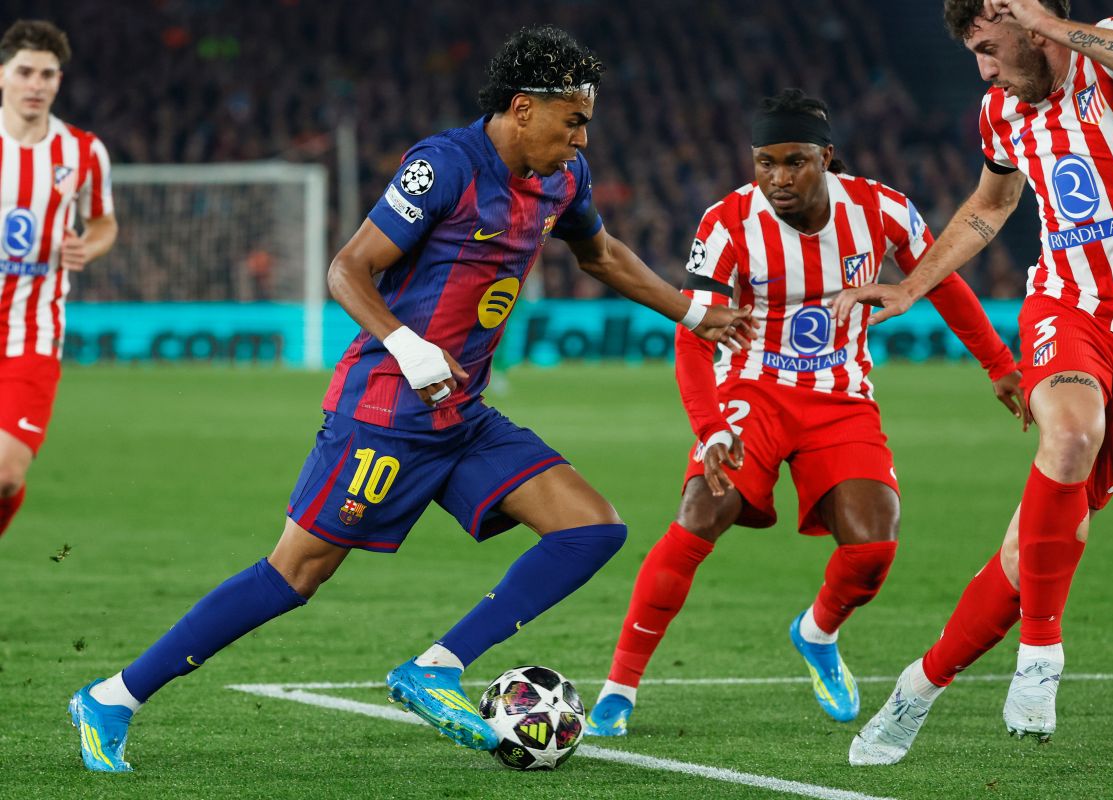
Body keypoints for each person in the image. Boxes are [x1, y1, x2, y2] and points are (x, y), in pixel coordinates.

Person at [67, 25, 754, 773]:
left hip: (462, 416)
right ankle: (112, 697)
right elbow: (347, 268)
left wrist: (691, 311)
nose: (582, 138)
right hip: (386, 412)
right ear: (524, 108)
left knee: (592, 529)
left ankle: (435, 668)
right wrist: (407, 344)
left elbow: (601, 253)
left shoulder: (564, 179)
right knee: (295, 574)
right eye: (573, 120)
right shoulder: (445, 165)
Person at [584, 88, 1022, 737]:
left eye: (794, 162)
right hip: (752, 389)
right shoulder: (728, 221)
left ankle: (817, 632)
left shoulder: (881, 209)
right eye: (766, 162)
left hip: (841, 397)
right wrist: (711, 429)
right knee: (702, 510)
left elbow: (941, 281)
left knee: (874, 547)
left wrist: (999, 364)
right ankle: (618, 690)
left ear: (826, 158)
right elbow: (691, 335)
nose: (779, 178)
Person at [832, 0, 1113, 766]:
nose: (984, 71)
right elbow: (991, 205)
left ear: (1032, 26)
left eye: (991, 49)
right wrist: (912, 286)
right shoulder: (1002, 113)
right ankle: (1041, 655)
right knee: (1072, 430)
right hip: (1067, 306)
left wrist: (1054, 24)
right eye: (975, 54)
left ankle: (916, 690)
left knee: (1023, 554)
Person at [0, 20, 116, 541]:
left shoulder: (83, 151)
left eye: (46, 74)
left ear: (59, 81)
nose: (36, 84)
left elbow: (104, 223)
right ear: (2, 75)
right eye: (25, 71)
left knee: (6, 475)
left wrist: (87, 246)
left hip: (32, 335)